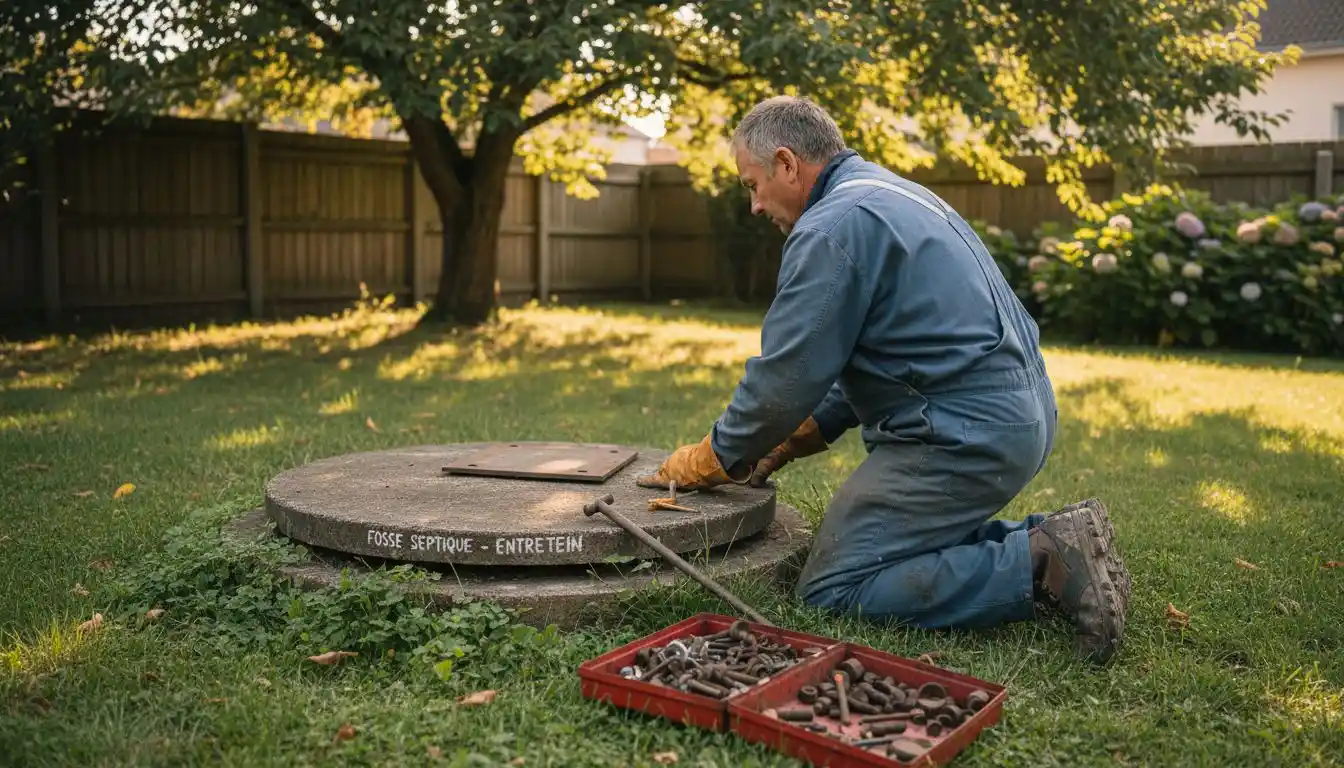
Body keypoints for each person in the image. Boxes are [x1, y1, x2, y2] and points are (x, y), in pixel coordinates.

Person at [635, 96, 1132, 665]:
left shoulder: (832, 228)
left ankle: (1040, 561)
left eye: (752, 185)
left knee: (833, 590)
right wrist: (800, 434)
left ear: (787, 163)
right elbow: (890, 352)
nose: (753, 206)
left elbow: (784, 379)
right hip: (1016, 415)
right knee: (890, 550)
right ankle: (1058, 538)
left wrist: (715, 455)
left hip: (961, 436)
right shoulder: (893, 195)